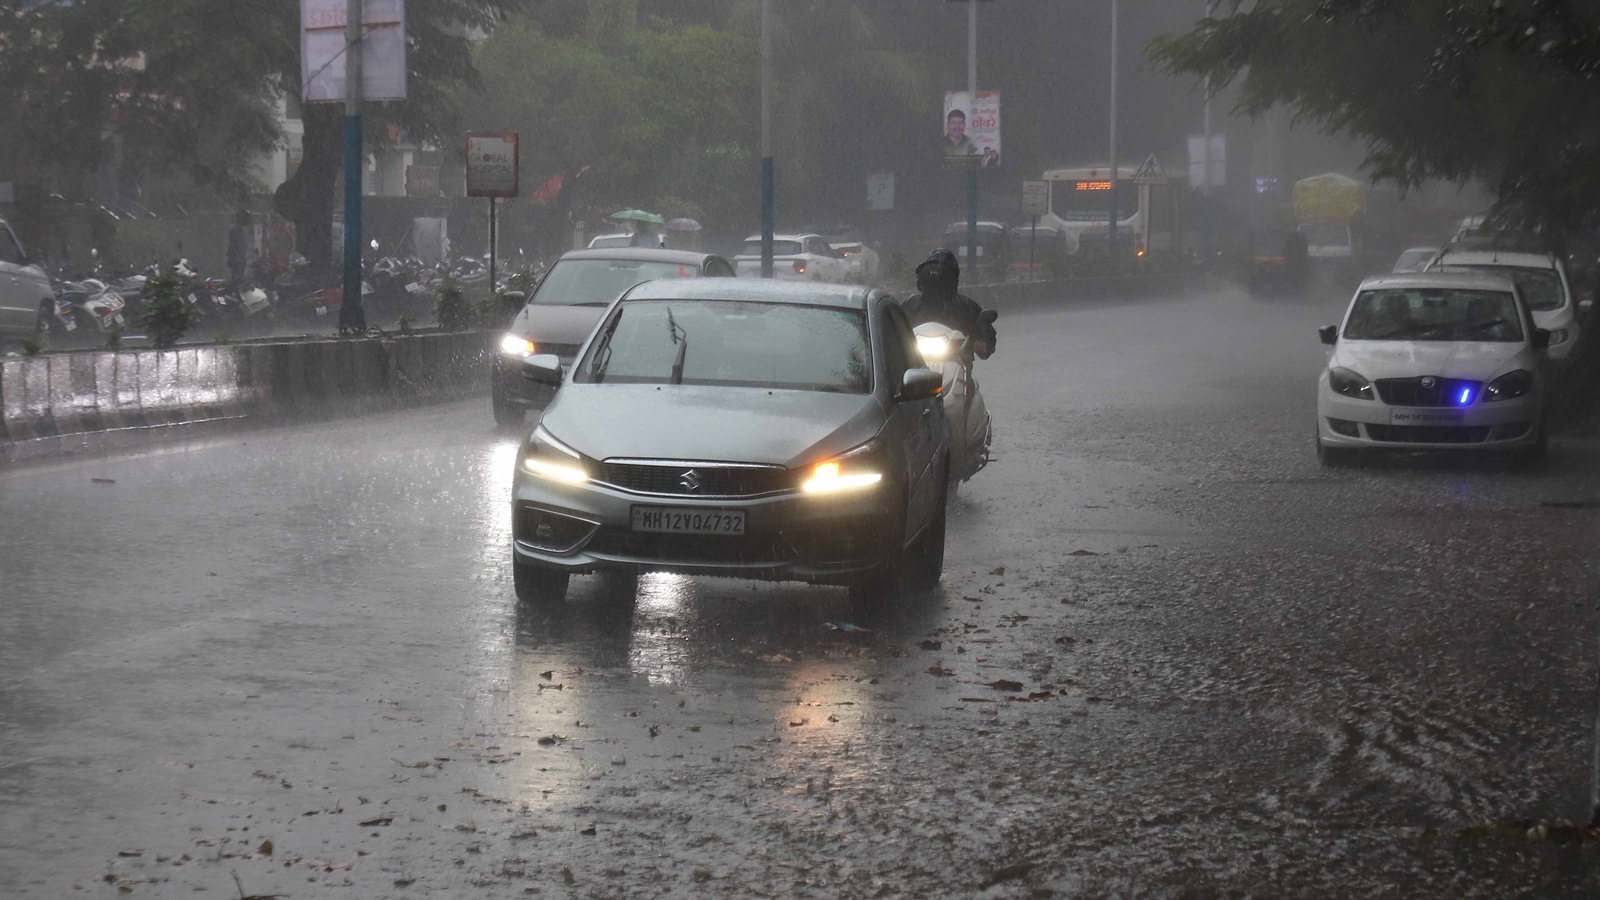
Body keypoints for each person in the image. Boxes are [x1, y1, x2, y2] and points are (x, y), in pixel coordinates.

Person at [901, 249, 996, 357]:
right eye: (931, 274)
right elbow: (893, 331)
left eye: (942, 275)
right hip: (916, 365)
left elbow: (986, 339)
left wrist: (982, 342)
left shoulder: (966, 307)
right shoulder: (911, 306)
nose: (936, 281)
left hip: (958, 365)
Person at [227, 211, 253, 285]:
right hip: (237, 261)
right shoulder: (236, 231)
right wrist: (233, 258)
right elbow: (232, 246)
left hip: (239, 260)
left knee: (239, 281)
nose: (247, 221)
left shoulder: (241, 231)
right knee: (237, 282)